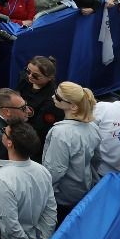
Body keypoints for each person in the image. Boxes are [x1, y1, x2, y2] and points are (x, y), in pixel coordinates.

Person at [0, 120, 55, 239]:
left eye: (4, 131)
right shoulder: (43, 171)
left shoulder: (1, 178)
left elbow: (11, 226)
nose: (2, 130)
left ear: (10, 143)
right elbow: (50, 211)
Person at [40, 82, 99, 222]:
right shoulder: (93, 127)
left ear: (73, 106)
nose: (53, 97)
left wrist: (44, 193)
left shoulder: (61, 133)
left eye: (58, 97)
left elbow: (55, 169)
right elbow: (96, 160)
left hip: (62, 196)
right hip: (83, 188)